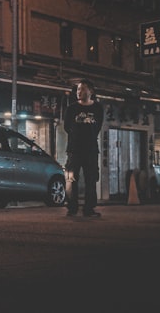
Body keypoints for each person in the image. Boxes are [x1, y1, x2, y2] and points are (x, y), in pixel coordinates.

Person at [63, 79, 104, 218]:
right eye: (78, 89)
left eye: (83, 89)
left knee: (91, 179)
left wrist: (88, 136)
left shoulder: (98, 108)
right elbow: (66, 127)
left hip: (91, 149)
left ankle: (89, 209)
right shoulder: (72, 108)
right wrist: (77, 136)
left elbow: (98, 126)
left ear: (91, 91)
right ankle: (71, 208)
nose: (79, 92)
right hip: (74, 149)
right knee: (71, 178)